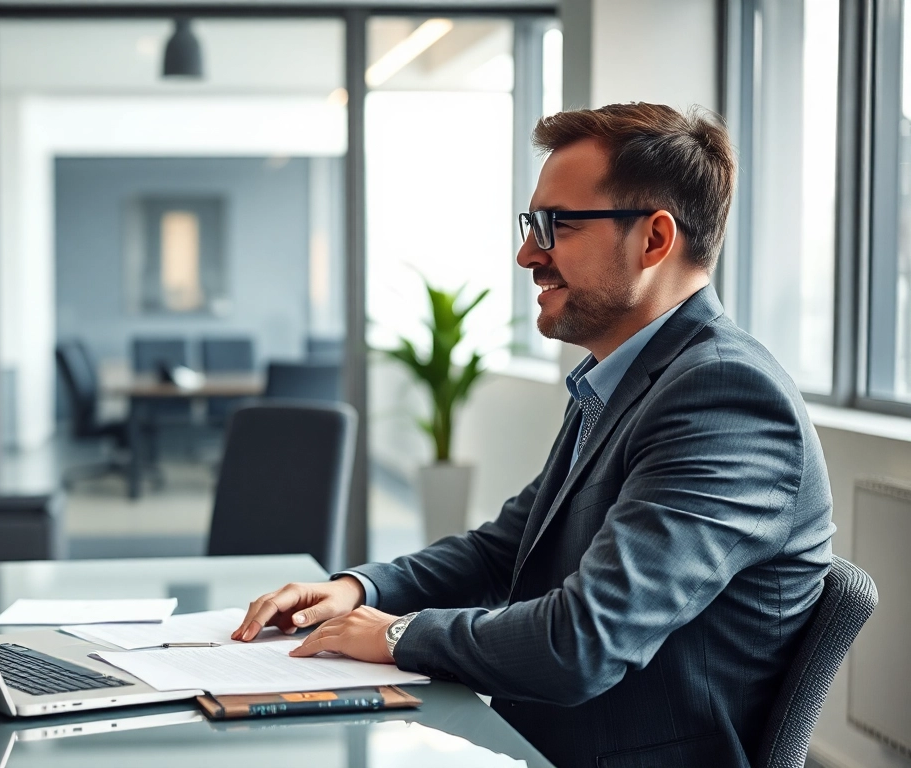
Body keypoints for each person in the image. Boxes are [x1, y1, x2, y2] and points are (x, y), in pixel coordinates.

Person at [231, 103, 835, 768]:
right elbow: (504, 550)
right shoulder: (621, 381)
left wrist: (397, 635)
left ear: (654, 241)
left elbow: (583, 643)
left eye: (554, 226)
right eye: (530, 225)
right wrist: (359, 590)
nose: (527, 254)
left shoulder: (725, 399)